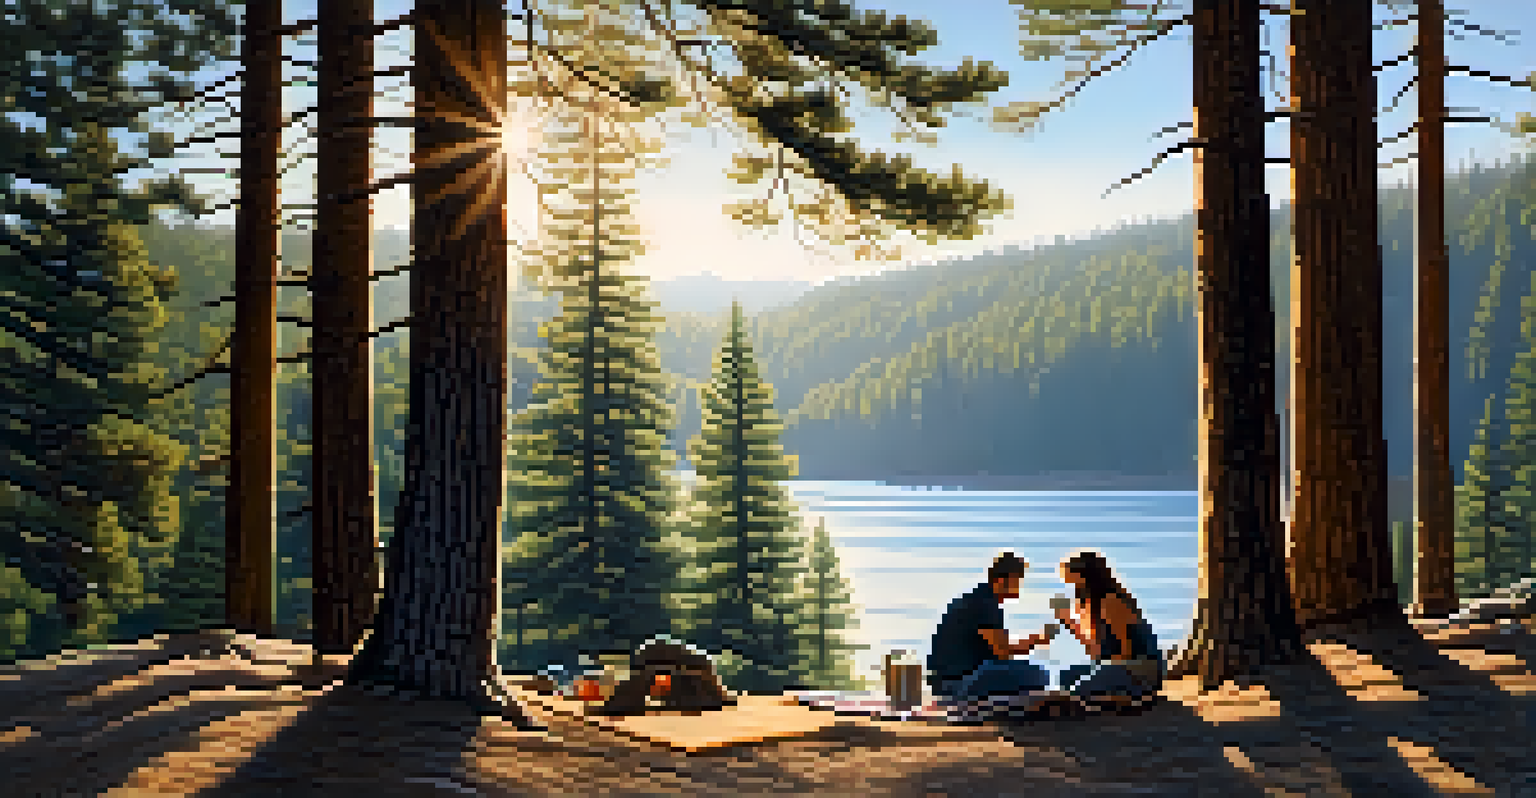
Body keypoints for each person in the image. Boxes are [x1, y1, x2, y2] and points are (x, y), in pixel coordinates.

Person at [927, 552, 1055, 703]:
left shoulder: (978, 598)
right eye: (1017, 580)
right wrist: (1034, 642)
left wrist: (1035, 641)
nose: (1020, 586)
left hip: (948, 682)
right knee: (1039, 674)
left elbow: (1000, 648)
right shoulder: (986, 604)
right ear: (1001, 581)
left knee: (1021, 673)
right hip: (958, 685)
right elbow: (1003, 653)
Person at [1053, 550, 1164, 707]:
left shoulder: (1111, 601)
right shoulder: (1089, 604)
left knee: (1078, 689)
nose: (1065, 579)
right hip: (1115, 664)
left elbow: (1127, 652)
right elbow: (1096, 651)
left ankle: (1136, 696)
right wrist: (1069, 623)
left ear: (1084, 574)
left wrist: (1099, 670)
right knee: (1065, 676)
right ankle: (1111, 697)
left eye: (1068, 573)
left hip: (1139, 668)